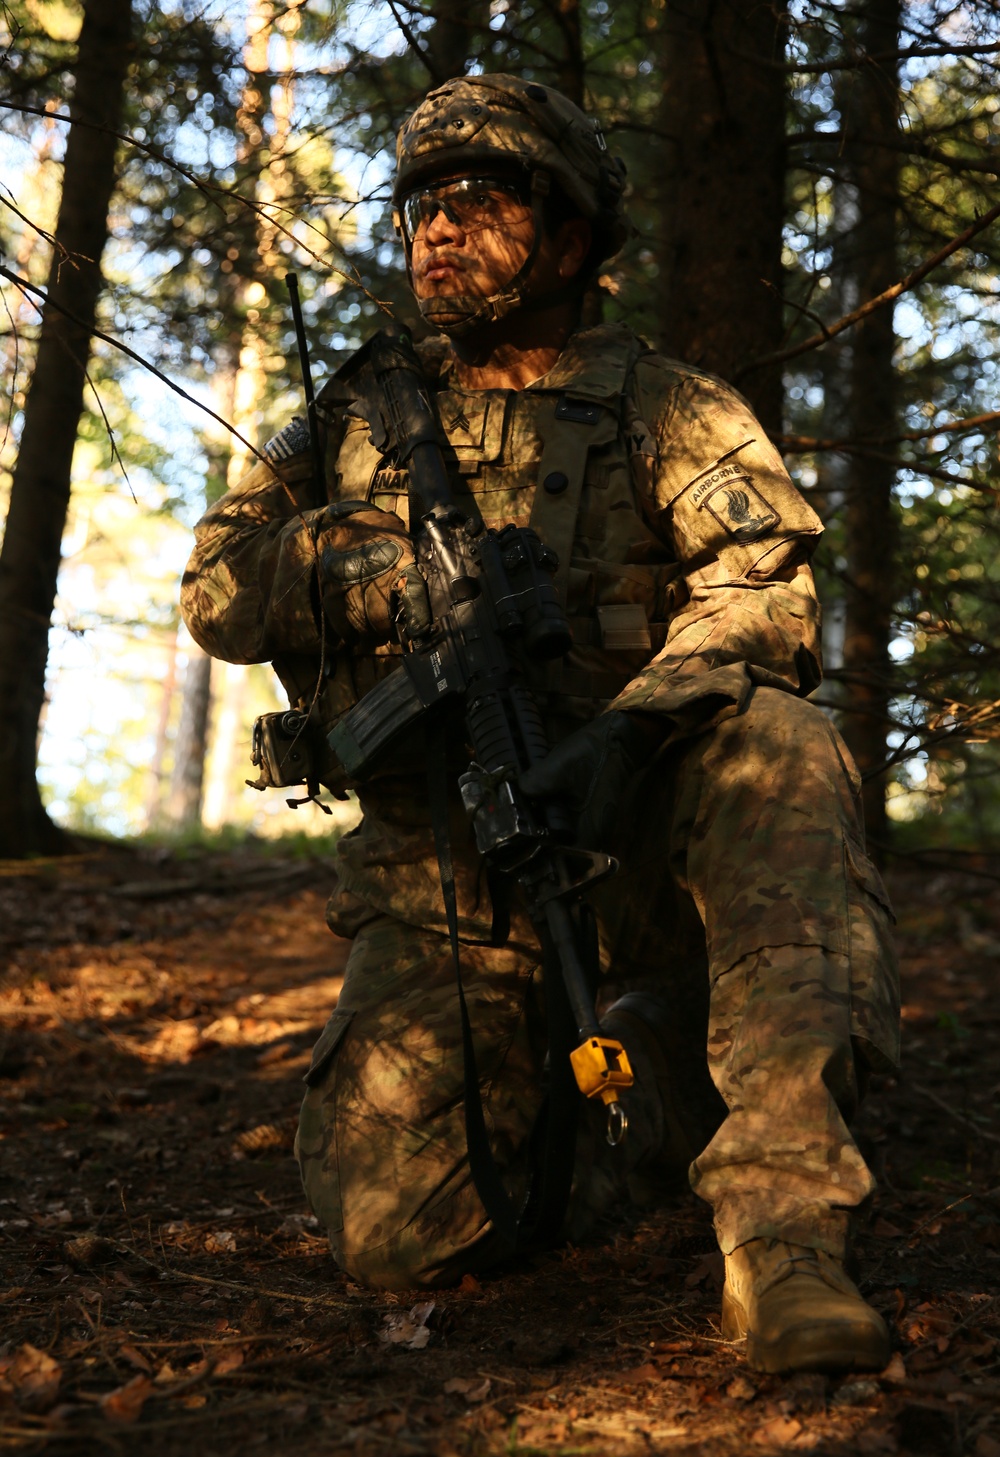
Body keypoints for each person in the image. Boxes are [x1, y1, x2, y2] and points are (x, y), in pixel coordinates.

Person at [180, 73, 900, 1375]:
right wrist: (360, 556)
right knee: (403, 1234)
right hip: (445, 882)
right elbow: (216, 596)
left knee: (786, 751)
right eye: (418, 208)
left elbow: (763, 600)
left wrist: (624, 737)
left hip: (634, 852)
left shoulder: (666, 408)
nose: (437, 232)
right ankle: (642, 1105)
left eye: (478, 203)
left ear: (568, 241)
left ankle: (785, 1236)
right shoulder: (352, 420)